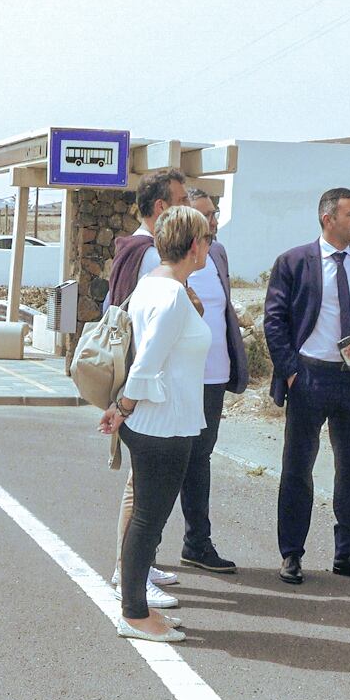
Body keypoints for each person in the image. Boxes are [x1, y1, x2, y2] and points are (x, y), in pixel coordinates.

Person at [264, 187, 350, 585]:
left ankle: (347, 553)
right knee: (297, 470)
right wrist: (290, 372)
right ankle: (291, 554)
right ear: (328, 219)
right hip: (309, 378)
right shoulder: (293, 262)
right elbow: (274, 320)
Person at [99, 206, 213, 642]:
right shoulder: (170, 296)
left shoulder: (157, 286)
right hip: (160, 424)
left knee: (148, 519)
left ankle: (137, 608)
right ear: (193, 245)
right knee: (149, 521)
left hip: (165, 421)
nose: (209, 245)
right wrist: (122, 409)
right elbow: (146, 364)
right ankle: (134, 614)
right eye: (205, 237)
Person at [106, 169, 191, 608]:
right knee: (141, 493)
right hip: (146, 392)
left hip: (138, 388)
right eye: (181, 200)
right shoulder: (148, 257)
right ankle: (128, 574)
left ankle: (137, 565)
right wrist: (125, 402)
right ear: (161, 208)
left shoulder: (129, 249)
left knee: (141, 489)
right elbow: (150, 336)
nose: (189, 206)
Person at [177, 188, 250, 573]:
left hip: (213, 376)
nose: (213, 220)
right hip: (177, 377)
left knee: (200, 459)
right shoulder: (162, 258)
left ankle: (197, 543)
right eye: (205, 214)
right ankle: (144, 552)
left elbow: (223, 313)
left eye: (214, 213)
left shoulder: (217, 253)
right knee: (169, 461)